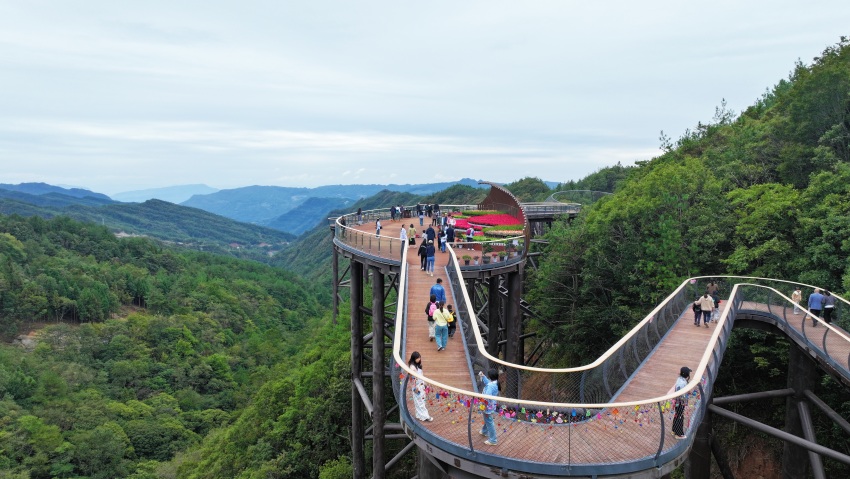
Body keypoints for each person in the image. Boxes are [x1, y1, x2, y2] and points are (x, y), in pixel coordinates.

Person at [407, 351, 433, 422]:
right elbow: (412, 378)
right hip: (417, 385)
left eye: (419, 358)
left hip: (421, 384)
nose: (419, 359)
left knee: (420, 400)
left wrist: (424, 383)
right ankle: (426, 416)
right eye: (417, 358)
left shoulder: (418, 365)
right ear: (414, 358)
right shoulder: (412, 367)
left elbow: (421, 374)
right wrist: (415, 387)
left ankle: (419, 415)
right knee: (420, 401)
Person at [478, 369, 500, 445]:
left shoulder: (491, 386)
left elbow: (487, 397)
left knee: (489, 422)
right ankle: (484, 431)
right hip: (492, 405)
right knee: (487, 419)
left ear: (490, 376)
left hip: (487, 406)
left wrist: (481, 401)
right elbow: (488, 383)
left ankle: (493, 440)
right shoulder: (495, 383)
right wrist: (483, 377)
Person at [670, 366, 691, 439]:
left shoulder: (679, 379)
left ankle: (674, 430)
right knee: (680, 416)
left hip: (677, 401)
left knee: (677, 415)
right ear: (687, 375)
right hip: (680, 402)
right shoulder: (682, 383)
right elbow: (681, 394)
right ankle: (678, 434)